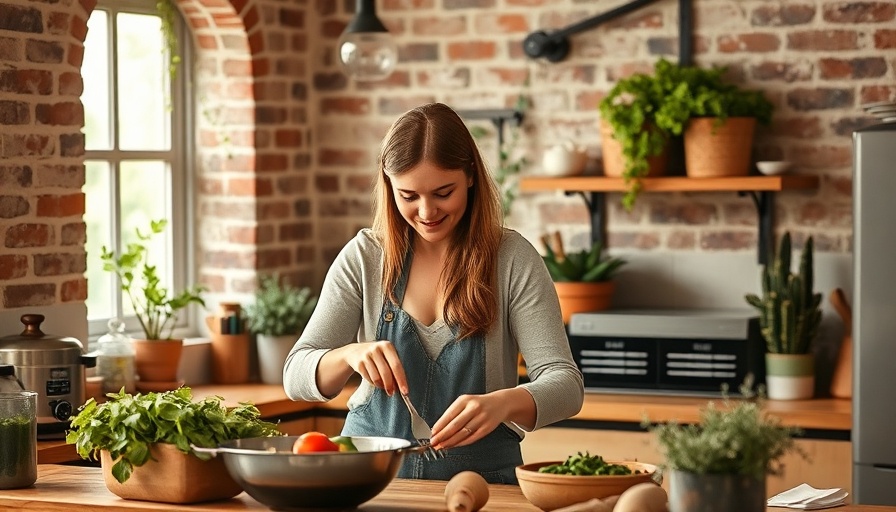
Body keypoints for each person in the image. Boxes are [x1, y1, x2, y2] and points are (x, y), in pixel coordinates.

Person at [283, 102, 584, 484]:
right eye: (408, 196)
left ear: (471, 176)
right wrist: (350, 354)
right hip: (370, 485)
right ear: (389, 185)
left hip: (483, 487)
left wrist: (503, 403)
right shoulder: (365, 257)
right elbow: (295, 375)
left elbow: (566, 384)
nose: (427, 211)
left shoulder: (512, 259)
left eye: (443, 192)